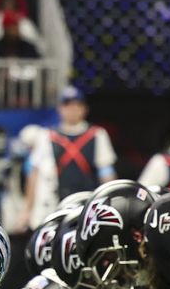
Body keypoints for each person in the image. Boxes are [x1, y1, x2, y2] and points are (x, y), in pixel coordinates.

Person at [24, 86, 117, 231]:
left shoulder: (97, 135)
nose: (72, 109)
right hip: (54, 207)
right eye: (67, 105)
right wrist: (27, 210)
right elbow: (34, 174)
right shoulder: (47, 136)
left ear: (84, 109)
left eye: (76, 105)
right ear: (60, 109)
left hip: (87, 207)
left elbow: (107, 174)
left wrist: (113, 206)